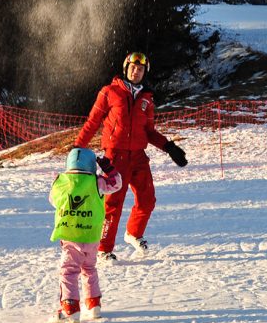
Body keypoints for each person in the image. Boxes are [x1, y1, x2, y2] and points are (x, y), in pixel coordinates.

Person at [73, 52, 188, 261]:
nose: (137, 72)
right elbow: (92, 122)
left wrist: (169, 147)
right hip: (114, 156)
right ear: (126, 68)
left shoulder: (147, 99)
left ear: (145, 72)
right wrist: (77, 147)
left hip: (138, 156)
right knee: (113, 204)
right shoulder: (110, 92)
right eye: (133, 68)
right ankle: (103, 249)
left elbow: (149, 132)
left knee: (147, 200)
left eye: (141, 69)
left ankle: (134, 234)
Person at [47, 147, 121, 323]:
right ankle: (94, 304)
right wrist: (109, 169)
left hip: (71, 235)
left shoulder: (61, 181)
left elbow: (53, 200)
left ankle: (70, 309)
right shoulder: (97, 182)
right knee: (89, 268)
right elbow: (117, 184)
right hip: (92, 235)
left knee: (69, 271)